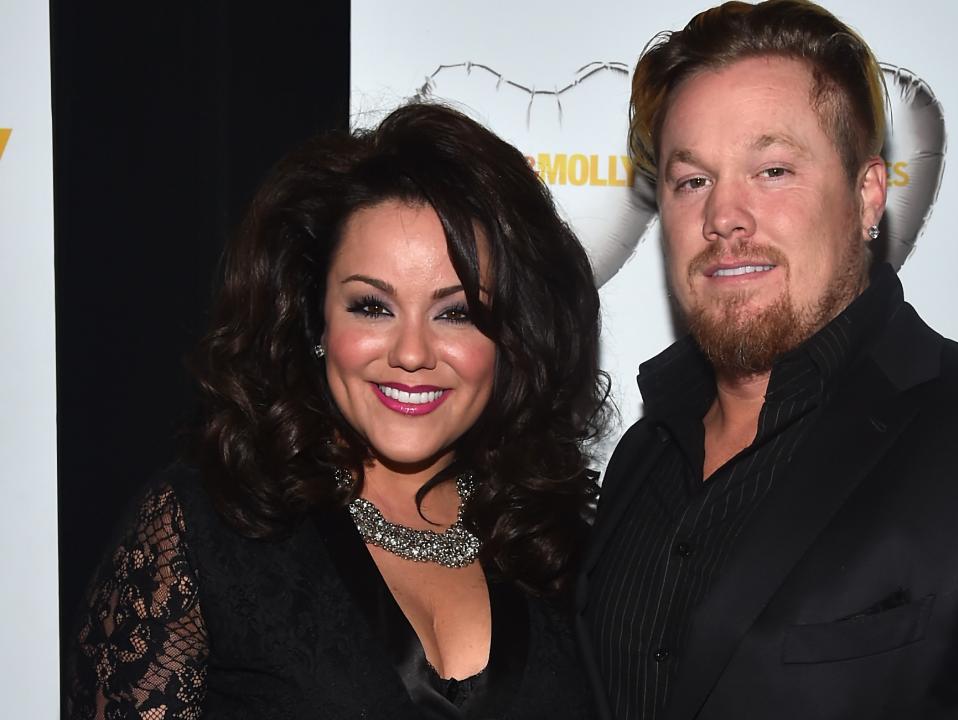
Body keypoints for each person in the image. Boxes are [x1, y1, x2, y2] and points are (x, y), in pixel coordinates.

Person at [575, 2, 958, 718]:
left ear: (867, 195)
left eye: (772, 169)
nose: (723, 216)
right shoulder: (643, 455)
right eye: (693, 181)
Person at [68, 102, 606, 719]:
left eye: (456, 313)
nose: (411, 353)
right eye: (372, 307)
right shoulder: (206, 528)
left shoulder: (559, 550)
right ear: (315, 318)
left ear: (511, 338)